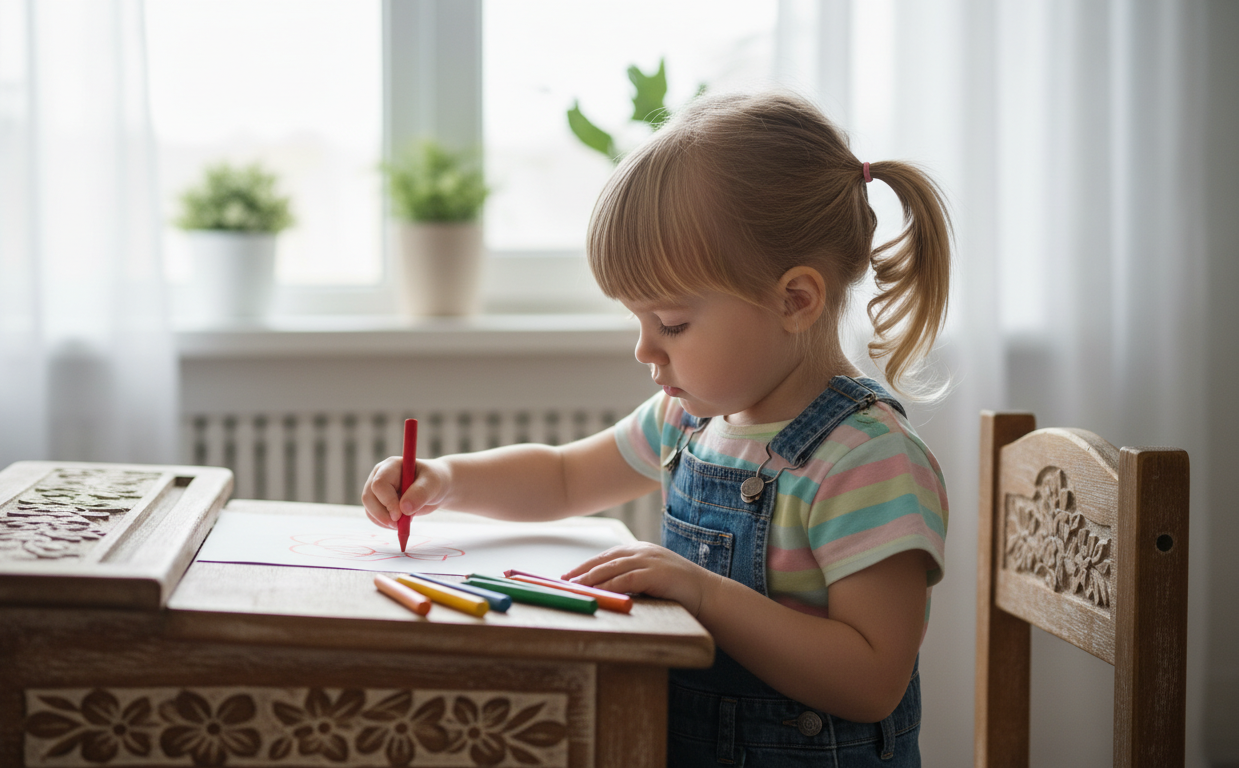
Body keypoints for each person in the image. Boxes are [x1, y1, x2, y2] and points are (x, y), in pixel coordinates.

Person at [363, 90, 950, 767]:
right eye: (637, 321)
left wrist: (702, 592)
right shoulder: (690, 420)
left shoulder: (868, 460)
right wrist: (445, 480)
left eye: (671, 324)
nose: (645, 349)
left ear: (795, 300)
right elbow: (562, 477)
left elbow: (872, 680)